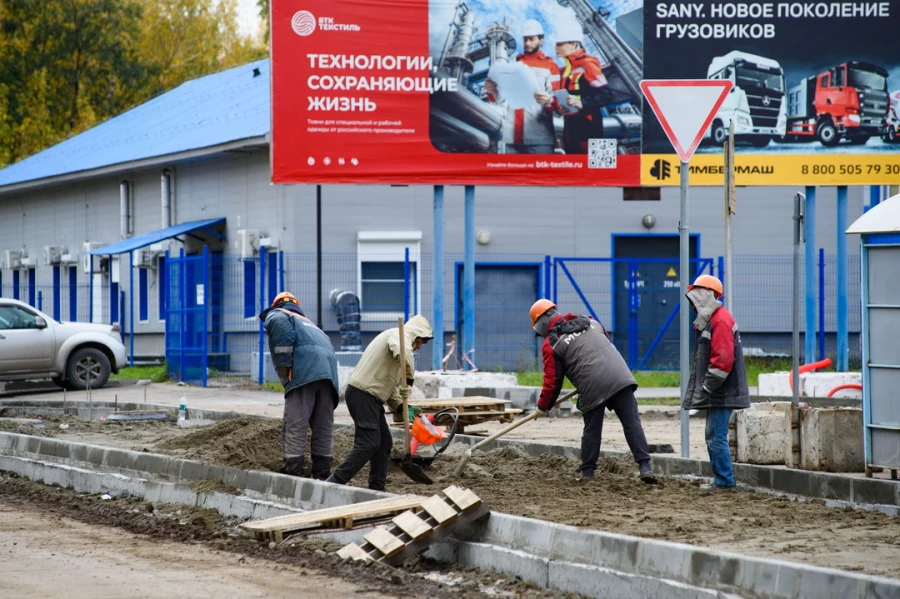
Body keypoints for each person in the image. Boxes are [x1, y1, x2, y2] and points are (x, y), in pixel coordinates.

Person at [530, 299, 656, 483]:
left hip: (592, 384)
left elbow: (552, 382)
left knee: (592, 429)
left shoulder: (552, 344)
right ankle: (646, 466)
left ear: (540, 322)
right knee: (632, 422)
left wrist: (543, 406)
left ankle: (587, 473)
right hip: (620, 375)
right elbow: (603, 340)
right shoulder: (589, 321)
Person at [327, 315, 434, 491]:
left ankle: (377, 487)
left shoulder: (398, 352)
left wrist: (401, 406)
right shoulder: (398, 336)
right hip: (363, 394)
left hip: (370, 396)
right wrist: (409, 378)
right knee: (368, 443)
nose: (420, 346)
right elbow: (404, 351)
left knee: (384, 443)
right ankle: (335, 481)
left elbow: (389, 388)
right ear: (416, 335)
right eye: (421, 341)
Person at [259, 292, 340, 480]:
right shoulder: (312, 325)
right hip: (329, 377)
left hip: (304, 374)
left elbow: (280, 328)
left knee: (295, 425)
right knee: (323, 427)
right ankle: (321, 474)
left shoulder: (279, 314)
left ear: (276, 305)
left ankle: (293, 473)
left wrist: (285, 368)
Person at [682, 275, 750, 491]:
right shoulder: (716, 319)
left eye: (695, 298)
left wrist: (707, 387)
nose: (693, 304)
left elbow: (722, 361)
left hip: (722, 391)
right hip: (722, 390)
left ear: (705, 295)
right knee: (713, 435)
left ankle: (725, 482)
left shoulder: (720, 321)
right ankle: (723, 479)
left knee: (715, 437)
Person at [535, 21, 612, 154]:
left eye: (560, 43)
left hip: (590, 127)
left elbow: (606, 95)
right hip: (571, 130)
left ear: (573, 44)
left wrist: (582, 103)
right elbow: (567, 98)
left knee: (598, 170)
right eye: (556, 44)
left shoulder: (587, 63)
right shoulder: (565, 71)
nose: (556, 47)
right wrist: (559, 108)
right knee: (576, 167)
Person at [484, 19, 559, 154]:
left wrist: (549, 100)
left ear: (541, 40)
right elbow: (500, 100)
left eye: (531, 39)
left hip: (539, 138)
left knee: (542, 175)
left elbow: (558, 99)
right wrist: (493, 90)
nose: (527, 44)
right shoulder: (512, 64)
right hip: (510, 138)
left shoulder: (550, 66)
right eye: (525, 40)